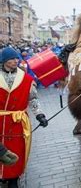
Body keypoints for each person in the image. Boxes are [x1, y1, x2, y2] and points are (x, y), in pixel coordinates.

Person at [0, 47, 48, 187]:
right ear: (3, 60)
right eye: (12, 59)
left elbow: (32, 99)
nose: (16, 61)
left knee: (17, 149)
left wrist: (39, 115)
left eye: (17, 58)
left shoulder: (26, 79)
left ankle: (14, 178)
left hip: (18, 122)